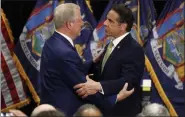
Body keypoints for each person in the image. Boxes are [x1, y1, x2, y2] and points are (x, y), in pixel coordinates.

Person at [40, 3, 134, 116]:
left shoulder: (52, 42)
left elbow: (68, 71)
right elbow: (84, 89)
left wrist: (92, 62)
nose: (83, 23)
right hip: (64, 112)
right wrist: (116, 98)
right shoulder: (64, 52)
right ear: (70, 24)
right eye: (80, 19)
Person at [74, 4, 145, 116]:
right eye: (106, 19)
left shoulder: (134, 49)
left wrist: (98, 86)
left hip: (122, 111)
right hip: (106, 108)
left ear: (122, 26)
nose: (105, 23)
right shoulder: (110, 45)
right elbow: (101, 72)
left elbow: (128, 81)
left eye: (110, 21)